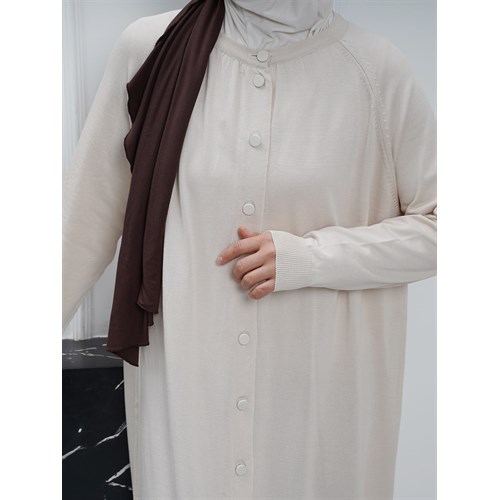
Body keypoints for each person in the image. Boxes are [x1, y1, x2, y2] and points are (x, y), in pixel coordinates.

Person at [62, 0, 437, 498]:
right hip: (190, 397)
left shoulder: (376, 70)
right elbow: (83, 223)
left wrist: (312, 258)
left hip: (321, 405)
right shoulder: (153, 49)